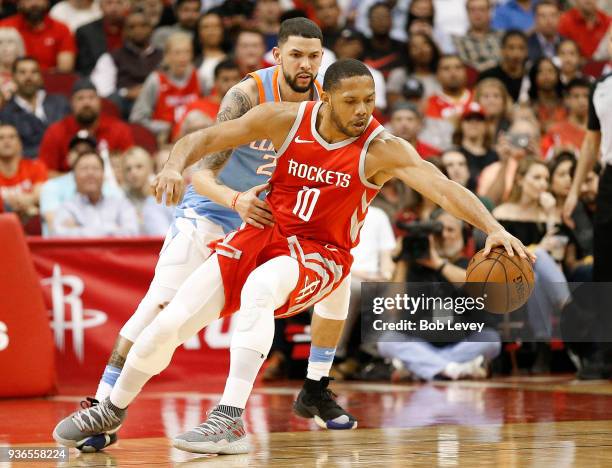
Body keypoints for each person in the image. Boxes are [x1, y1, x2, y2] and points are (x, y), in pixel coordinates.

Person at [53, 57, 531, 454]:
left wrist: (493, 228)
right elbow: (207, 138)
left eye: (369, 100)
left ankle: (230, 419)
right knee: (170, 322)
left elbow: (444, 188)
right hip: (264, 232)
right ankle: (111, 410)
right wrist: (175, 163)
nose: (364, 110)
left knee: (261, 289)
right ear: (324, 96)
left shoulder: (382, 149)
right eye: (352, 101)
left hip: (322, 255)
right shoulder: (285, 119)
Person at [51, 18, 359, 453]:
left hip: (270, 219)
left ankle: (316, 386)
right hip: (217, 207)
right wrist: (224, 195)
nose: (306, 63)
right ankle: (103, 405)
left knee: (339, 274)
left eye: (313, 55)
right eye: (296, 54)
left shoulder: (326, 101)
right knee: (160, 306)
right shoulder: (248, 95)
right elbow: (203, 173)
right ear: (277, 55)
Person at [378, 209, 501, 381]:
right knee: (387, 341)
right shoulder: (415, 267)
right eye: (439, 230)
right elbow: (392, 308)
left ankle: (421, 367)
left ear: (463, 237)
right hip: (421, 343)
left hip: (462, 342)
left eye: (451, 230)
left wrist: (437, 264)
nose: (444, 235)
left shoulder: (471, 264)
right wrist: (403, 262)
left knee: (491, 340)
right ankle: (453, 369)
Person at [562, 31, 612, 378]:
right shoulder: (602, 86)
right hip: (610, 176)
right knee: (606, 264)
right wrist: (574, 190)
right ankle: (604, 353)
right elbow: (591, 144)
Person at [38, 78, 134, 175]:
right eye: (80, 98)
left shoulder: (119, 129)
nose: (86, 103)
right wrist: (79, 179)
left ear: (100, 102)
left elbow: (131, 167)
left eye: (91, 97)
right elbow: (45, 172)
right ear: (72, 103)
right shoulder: (56, 132)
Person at [39, 133, 124, 235]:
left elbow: (128, 228)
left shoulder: (111, 188)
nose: (82, 154)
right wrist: (107, 228)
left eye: (87, 151)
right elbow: (56, 228)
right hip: (64, 249)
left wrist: (77, 227)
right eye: (77, 150)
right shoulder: (51, 186)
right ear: (68, 157)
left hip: (106, 249)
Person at [91, 10, 163, 119]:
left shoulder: (164, 56)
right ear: (124, 31)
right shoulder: (111, 57)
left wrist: (147, 93)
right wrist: (126, 93)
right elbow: (102, 92)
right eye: (132, 27)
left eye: (143, 25)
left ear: (151, 29)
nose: (138, 30)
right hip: (126, 107)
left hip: (159, 104)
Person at [51, 151, 138, 237]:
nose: (90, 173)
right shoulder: (67, 208)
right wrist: (114, 228)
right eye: (84, 169)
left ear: (104, 174)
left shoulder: (121, 204)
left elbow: (132, 233)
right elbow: (60, 235)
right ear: (74, 176)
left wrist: (79, 229)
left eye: (95, 168)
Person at [0, 57, 70, 159]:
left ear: (41, 77)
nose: (28, 77)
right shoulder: (6, 112)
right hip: (29, 166)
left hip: (65, 162)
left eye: (34, 72)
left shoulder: (60, 103)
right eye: (22, 72)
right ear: (14, 77)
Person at [172, 58, 241, 141]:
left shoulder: (246, 107)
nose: (231, 84)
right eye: (225, 80)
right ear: (215, 82)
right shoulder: (196, 106)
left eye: (235, 79)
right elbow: (176, 140)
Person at [0, 0, 75, 72]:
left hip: (51, 82)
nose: (34, 3)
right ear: (20, 3)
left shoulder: (61, 29)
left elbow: (65, 69)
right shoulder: (5, 26)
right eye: (28, 0)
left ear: (47, 2)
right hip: (10, 80)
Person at [421, 54, 473, 151]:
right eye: (446, 69)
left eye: (458, 67)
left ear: (466, 72)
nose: (453, 73)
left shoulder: (478, 98)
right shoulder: (428, 104)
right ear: (437, 75)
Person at [0, 124, 47, 226]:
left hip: (31, 223)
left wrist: (26, 201)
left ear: (20, 143)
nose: (6, 141)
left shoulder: (36, 166)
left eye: (12, 137)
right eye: (1, 138)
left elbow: (40, 195)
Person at [121, 146, 172, 235]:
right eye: (128, 169)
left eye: (139, 167)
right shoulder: (122, 197)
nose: (133, 173)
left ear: (150, 168)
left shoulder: (163, 192)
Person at [386, 32, 441, 108]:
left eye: (425, 44)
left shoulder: (441, 75)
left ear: (433, 48)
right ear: (407, 51)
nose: (421, 50)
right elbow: (393, 105)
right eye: (414, 46)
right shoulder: (399, 75)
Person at [75, 0, 130, 76]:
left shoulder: (136, 29)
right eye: (109, 3)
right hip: (97, 79)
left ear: (127, 7)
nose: (114, 8)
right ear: (100, 7)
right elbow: (84, 68)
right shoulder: (85, 32)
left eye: (119, 3)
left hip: (130, 78)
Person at [541, 78, 590, 160]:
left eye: (586, 96)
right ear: (567, 100)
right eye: (576, 96)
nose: (582, 101)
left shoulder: (600, 131)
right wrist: (554, 152)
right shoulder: (555, 131)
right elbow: (544, 158)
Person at [479, 30, 529, 103]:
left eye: (521, 48)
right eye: (511, 48)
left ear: (527, 51)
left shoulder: (531, 77)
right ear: (502, 50)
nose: (516, 53)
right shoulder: (488, 76)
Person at [452, 0, 502, 73]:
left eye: (482, 10)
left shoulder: (502, 36)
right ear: (467, 13)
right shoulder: (459, 40)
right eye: (472, 10)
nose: (477, 14)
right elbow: (465, 65)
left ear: (489, 12)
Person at [453, 101, 497, 181]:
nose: (473, 123)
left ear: (485, 125)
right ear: (461, 124)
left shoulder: (495, 156)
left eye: (478, 119)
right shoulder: (453, 154)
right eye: (468, 119)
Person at [362, 2, 404, 78]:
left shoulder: (403, 49)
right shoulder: (361, 47)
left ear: (392, 21)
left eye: (385, 17)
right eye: (377, 17)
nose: (381, 21)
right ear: (369, 22)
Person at [527, 58, 566, 133]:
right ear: (534, 76)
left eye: (550, 71)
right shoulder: (528, 106)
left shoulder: (567, 104)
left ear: (558, 75)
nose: (546, 76)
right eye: (541, 72)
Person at [194, 10, 228, 95]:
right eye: (206, 27)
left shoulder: (234, 58)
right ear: (198, 32)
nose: (211, 31)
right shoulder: (192, 61)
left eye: (216, 26)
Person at [0, 27, 24, 105]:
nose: (5, 48)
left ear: (19, 46)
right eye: (0, 43)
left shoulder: (28, 74)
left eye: (10, 42)